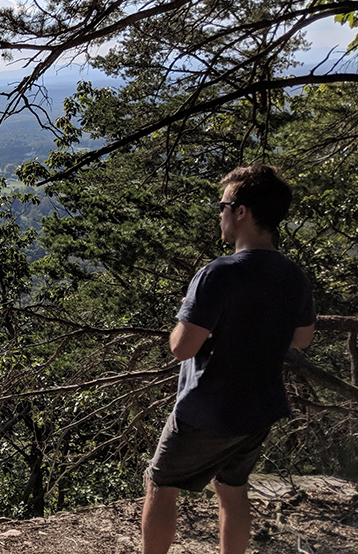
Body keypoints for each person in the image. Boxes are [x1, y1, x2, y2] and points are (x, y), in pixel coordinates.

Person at [141, 165, 316, 554]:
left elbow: (182, 348)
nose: (220, 212)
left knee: (160, 484)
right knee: (232, 490)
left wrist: (184, 314)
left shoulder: (218, 274)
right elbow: (303, 339)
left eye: (224, 204)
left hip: (208, 408)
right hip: (259, 409)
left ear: (242, 212)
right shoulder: (294, 276)